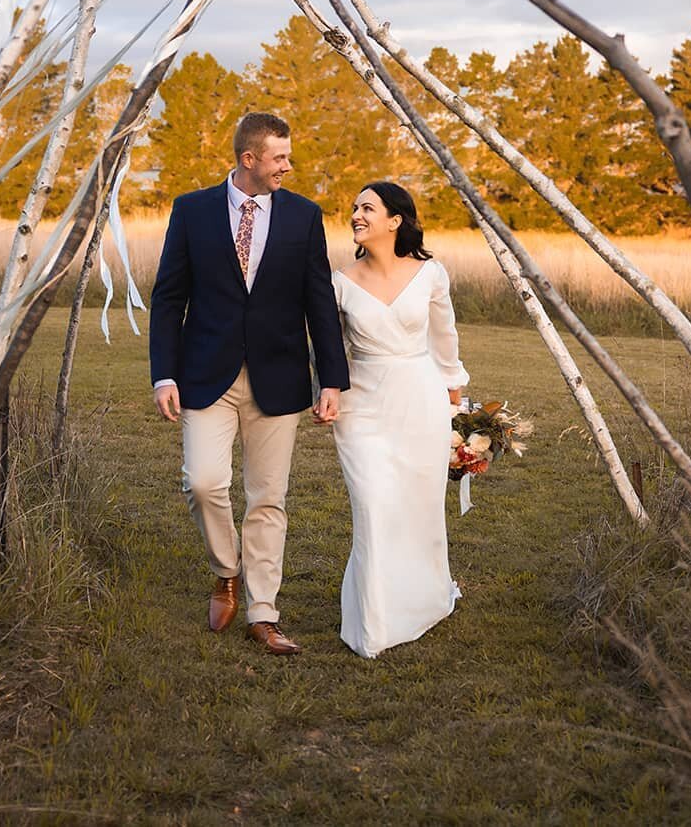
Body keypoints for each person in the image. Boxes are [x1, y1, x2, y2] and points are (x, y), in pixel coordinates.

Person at [149, 112, 350, 656]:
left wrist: (331, 378)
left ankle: (263, 613)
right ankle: (225, 569)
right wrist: (163, 373)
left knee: (268, 498)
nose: (289, 165)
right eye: (280, 157)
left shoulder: (304, 217)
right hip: (203, 374)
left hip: (279, 376)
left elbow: (318, 302)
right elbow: (169, 296)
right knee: (203, 482)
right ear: (249, 159)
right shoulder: (191, 211)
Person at [331, 181, 468, 659]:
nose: (356, 215)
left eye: (367, 207)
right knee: (372, 505)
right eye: (354, 208)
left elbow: (444, 337)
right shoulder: (340, 281)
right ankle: (373, 620)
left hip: (421, 402)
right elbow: (329, 352)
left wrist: (457, 401)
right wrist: (325, 392)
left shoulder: (430, 274)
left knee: (417, 506)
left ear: (395, 220)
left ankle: (423, 598)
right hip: (361, 407)